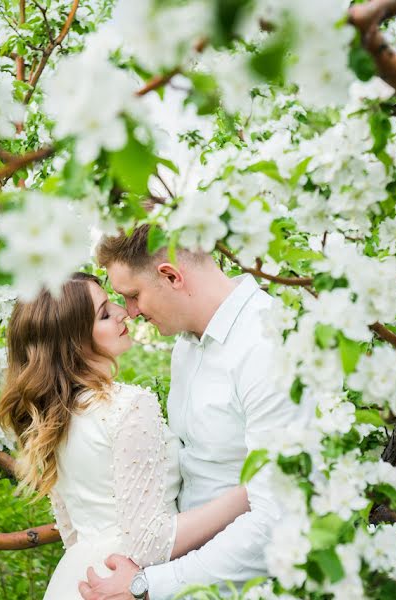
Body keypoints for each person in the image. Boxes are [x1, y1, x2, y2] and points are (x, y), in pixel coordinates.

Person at [78, 225, 313, 600]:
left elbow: (278, 517)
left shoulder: (268, 345)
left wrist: (149, 586)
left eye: (133, 296)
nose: (132, 313)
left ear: (171, 275)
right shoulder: (186, 347)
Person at [0, 272, 251, 600]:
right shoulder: (127, 407)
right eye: (104, 313)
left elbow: (73, 533)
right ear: (74, 341)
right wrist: (246, 495)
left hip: (79, 579)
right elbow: (151, 543)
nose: (122, 312)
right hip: (121, 582)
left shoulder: (53, 420)